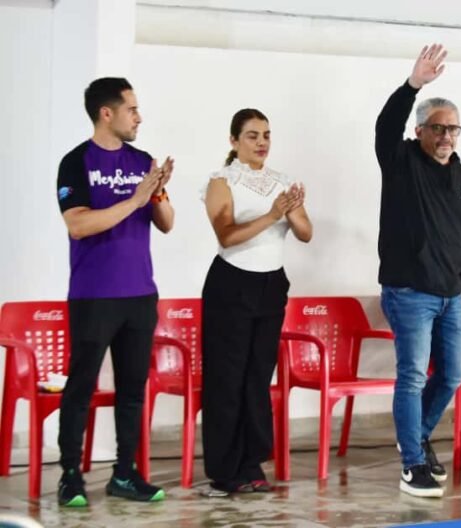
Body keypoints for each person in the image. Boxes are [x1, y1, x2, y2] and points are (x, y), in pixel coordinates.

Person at [56, 77, 174, 506]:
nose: (139, 117)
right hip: (94, 295)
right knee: (81, 386)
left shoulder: (142, 161)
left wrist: (155, 193)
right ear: (107, 113)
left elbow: (167, 223)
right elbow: (78, 224)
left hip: (140, 294)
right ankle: (70, 475)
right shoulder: (76, 162)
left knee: (132, 389)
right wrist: (135, 199)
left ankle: (125, 473)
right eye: (132, 109)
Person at [375, 44, 461, 498]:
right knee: (413, 376)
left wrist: (459, 279)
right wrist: (413, 84)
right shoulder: (402, 162)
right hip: (409, 292)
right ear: (419, 131)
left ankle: (414, 437)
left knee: (453, 374)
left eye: (453, 128)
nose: (447, 136)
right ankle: (412, 463)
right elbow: (385, 126)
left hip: (451, 295)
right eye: (438, 128)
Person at [201, 108, 312, 495]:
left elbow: (306, 233)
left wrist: (292, 211)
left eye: (266, 135)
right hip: (231, 284)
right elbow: (227, 235)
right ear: (234, 141)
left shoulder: (282, 182)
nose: (262, 142)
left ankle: (252, 464)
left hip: (270, 285)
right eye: (252, 135)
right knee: (227, 379)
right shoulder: (222, 181)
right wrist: (272, 214)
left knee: (257, 378)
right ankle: (224, 470)